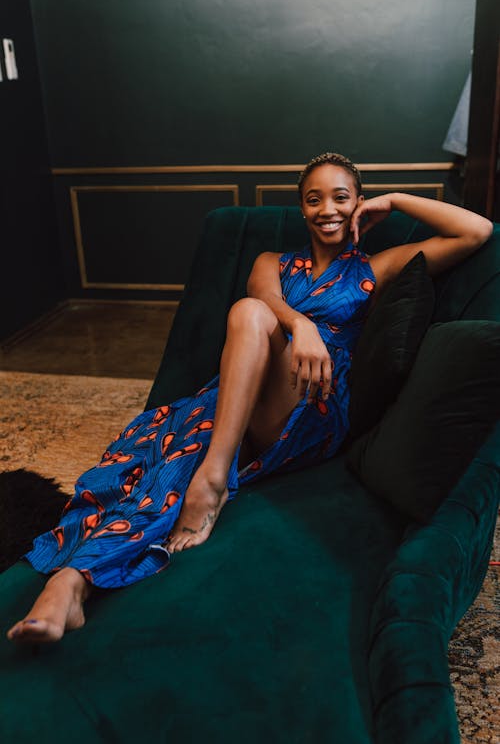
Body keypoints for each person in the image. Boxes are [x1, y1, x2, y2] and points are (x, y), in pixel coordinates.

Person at [6, 152, 493, 644]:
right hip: (239, 401)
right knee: (161, 461)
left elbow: (476, 232)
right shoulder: (271, 263)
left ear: (358, 204)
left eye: (341, 197)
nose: (327, 209)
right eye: (314, 199)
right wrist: (303, 325)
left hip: (312, 406)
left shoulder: (376, 267)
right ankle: (70, 585)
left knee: (248, 319)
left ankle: (214, 480)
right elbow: (265, 304)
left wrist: (394, 199)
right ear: (302, 209)